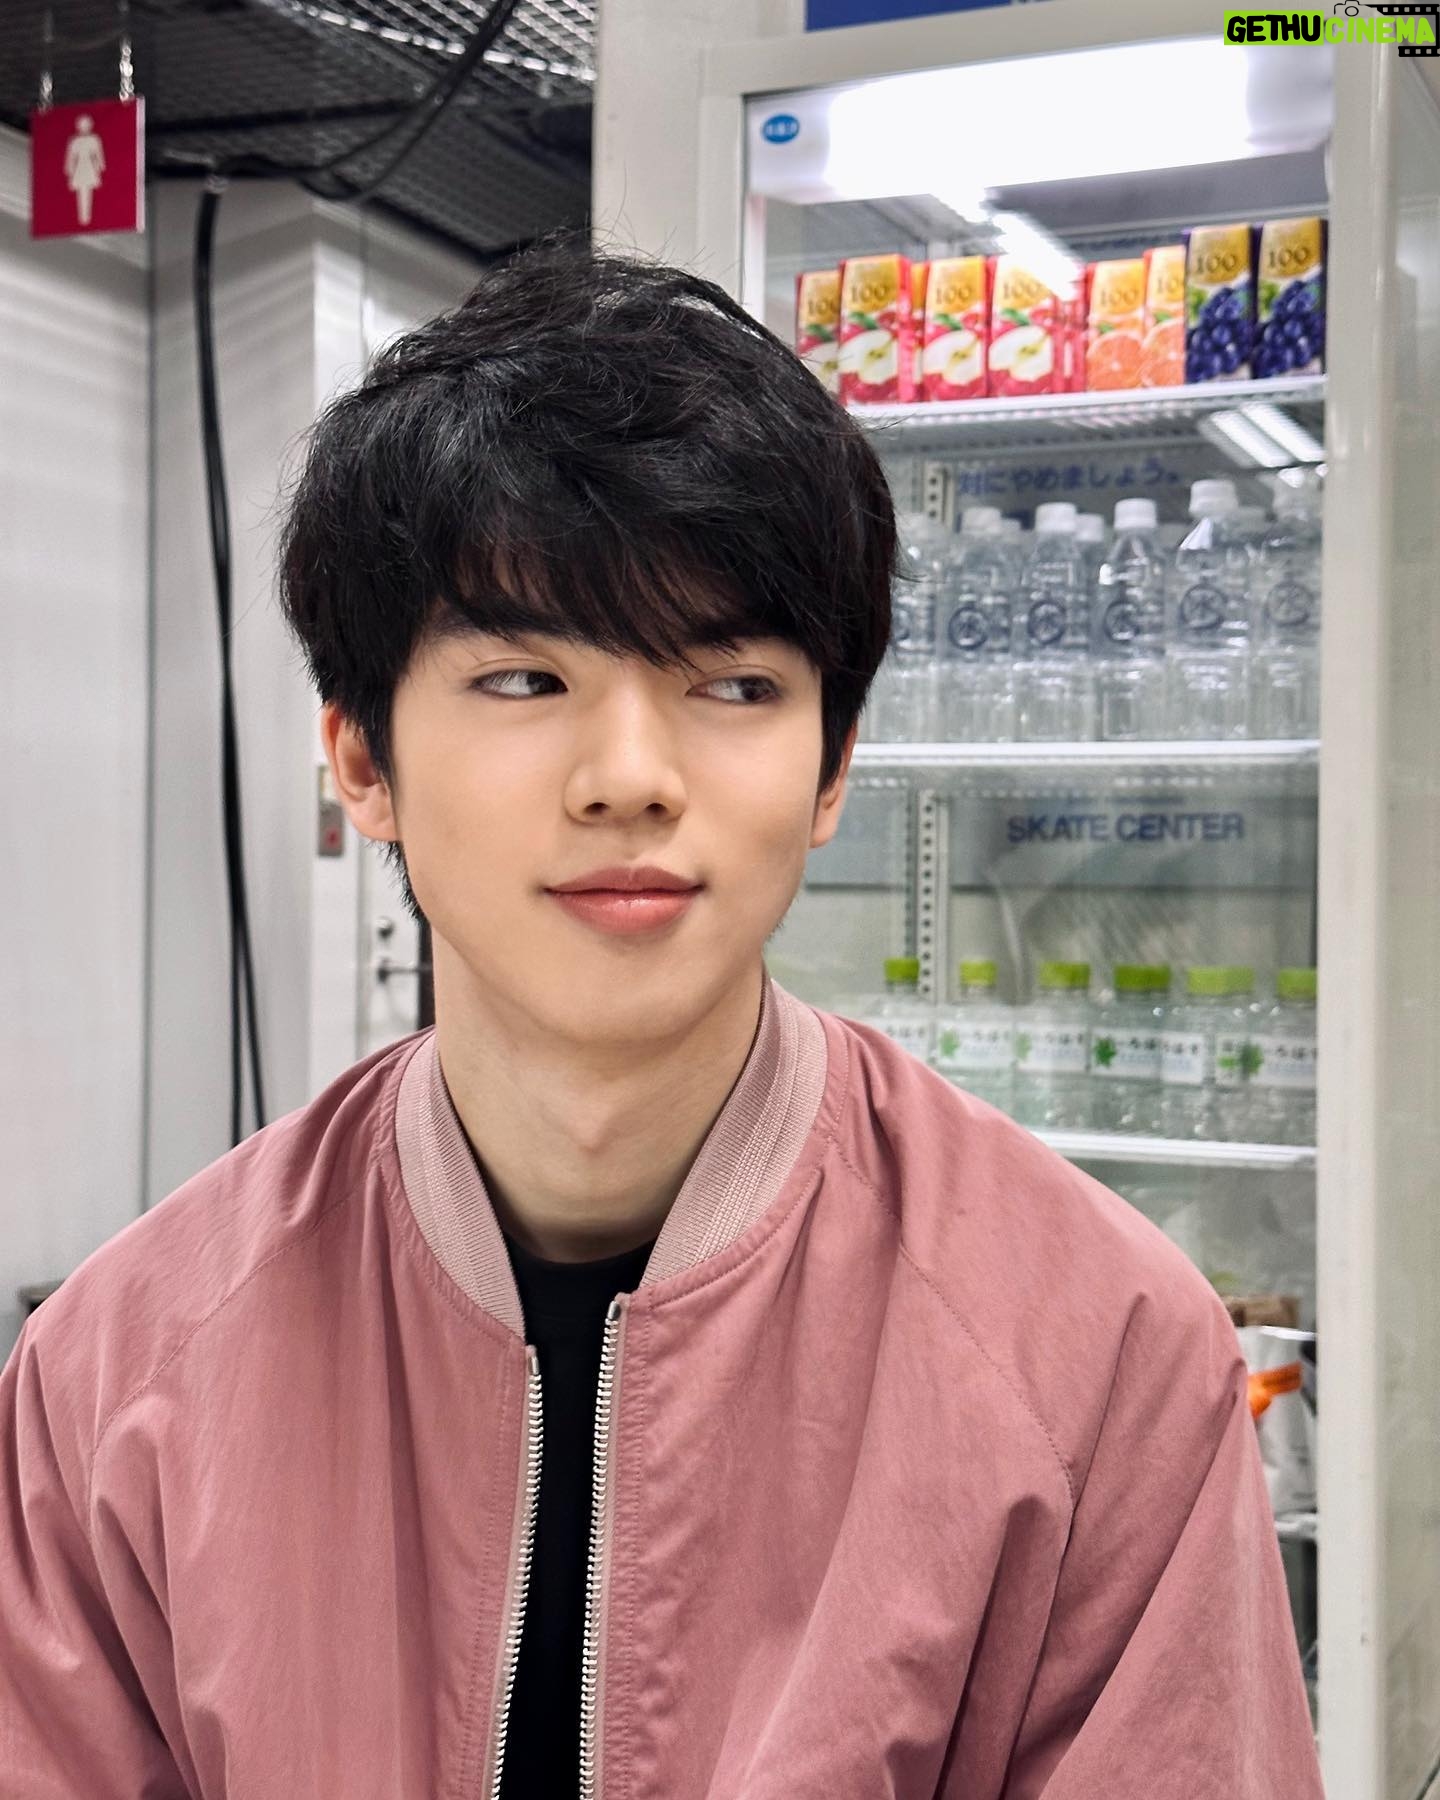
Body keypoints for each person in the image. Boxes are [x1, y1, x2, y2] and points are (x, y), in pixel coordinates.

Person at [0, 237, 1323, 1799]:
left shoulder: (1097, 1355)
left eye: (733, 684)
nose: (629, 776)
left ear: (832, 770)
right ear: (361, 763)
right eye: (522, 678)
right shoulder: (119, 1372)